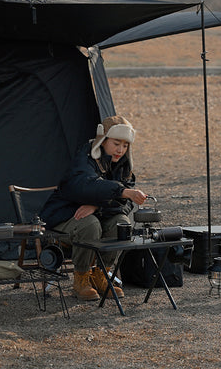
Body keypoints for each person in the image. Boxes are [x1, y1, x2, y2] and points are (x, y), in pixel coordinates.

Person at [40, 115, 148, 301]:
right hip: (65, 214)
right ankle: (81, 278)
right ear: (103, 139)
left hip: (99, 214)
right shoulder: (85, 158)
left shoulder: (123, 166)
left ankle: (102, 274)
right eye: (116, 143)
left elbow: (125, 205)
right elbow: (85, 185)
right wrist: (121, 192)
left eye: (125, 145)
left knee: (121, 223)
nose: (120, 150)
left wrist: (97, 205)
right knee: (89, 225)